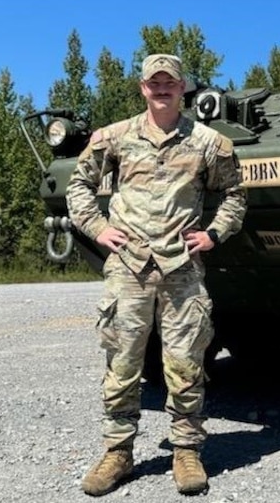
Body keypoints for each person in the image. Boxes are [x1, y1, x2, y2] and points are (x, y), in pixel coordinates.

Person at [66, 53, 247, 496]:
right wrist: (98, 228)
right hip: (128, 267)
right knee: (123, 365)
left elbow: (235, 194)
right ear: (142, 88)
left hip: (182, 269)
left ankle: (186, 452)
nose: (162, 88)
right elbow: (78, 185)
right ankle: (118, 452)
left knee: (186, 365)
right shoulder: (115, 137)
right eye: (154, 82)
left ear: (183, 87)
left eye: (170, 82)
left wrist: (214, 234)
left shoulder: (210, 143)